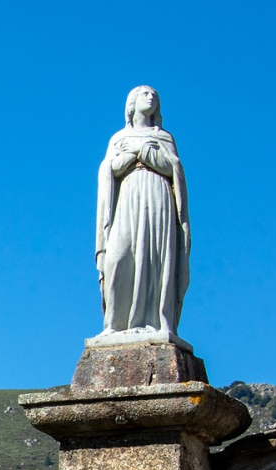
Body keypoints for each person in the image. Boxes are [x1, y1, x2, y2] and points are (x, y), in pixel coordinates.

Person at [93, 85, 191, 347]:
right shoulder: (118, 138)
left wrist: (145, 153)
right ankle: (114, 324)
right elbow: (109, 169)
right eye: (145, 94)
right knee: (118, 256)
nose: (152, 97)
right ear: (132, 104)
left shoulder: (165, 137)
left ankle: (158, 321)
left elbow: (174, 170)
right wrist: (131, 154)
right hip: (128, 197)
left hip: (158, 196)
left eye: (155, 96)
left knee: (157, 258)